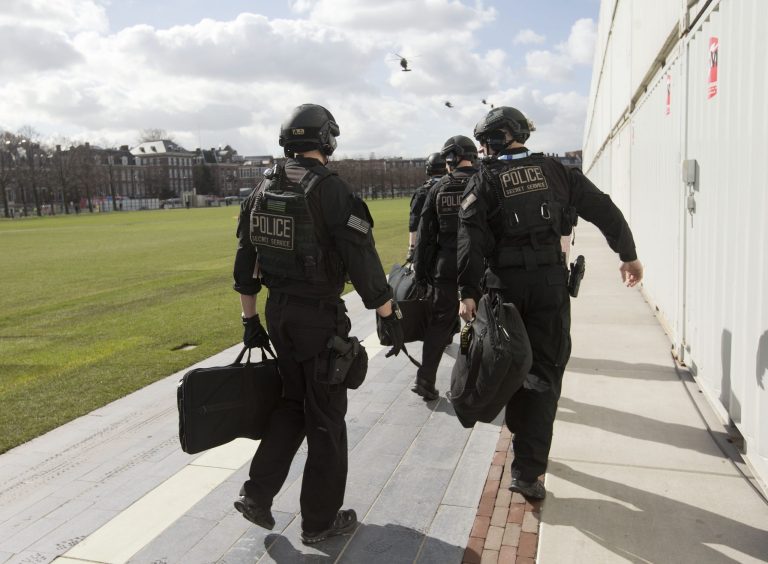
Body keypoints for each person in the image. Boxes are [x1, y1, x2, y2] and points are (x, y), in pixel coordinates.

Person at [232, 103, 405, 544]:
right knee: (326, 418)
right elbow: (361, 259)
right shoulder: (330, 190)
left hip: (277, 313)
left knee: (293, 404)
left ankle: (257, 494)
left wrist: (250, 321)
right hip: (317, 318)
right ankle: (320, 522)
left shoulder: (261, 188)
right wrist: (387, 313)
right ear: (327, 139)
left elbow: (244, 263)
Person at [457, 106, 643, 500]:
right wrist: (627, 253)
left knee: (508, 364)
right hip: (549, 286)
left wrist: (467, 293)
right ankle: (527, 470)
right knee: (544, 372)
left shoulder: (484, 180)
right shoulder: (558, 172)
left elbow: (469, 241)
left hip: (503, 289)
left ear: (491, 141)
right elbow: (603, 209)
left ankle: (521, 438)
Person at [411, 135, 478, 400]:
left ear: (449, 159)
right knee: (480, 326)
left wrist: (422, 274)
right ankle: (474, 384)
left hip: (445, 267)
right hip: (480, 266)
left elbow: (425, 236)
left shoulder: (437, 189)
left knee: (439, 325)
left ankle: (426, 379)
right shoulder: (486, 182)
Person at [407, 152, 446, 262]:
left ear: (428, 169)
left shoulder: (422, 192)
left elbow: (414, 222)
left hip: (428, 247)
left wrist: (411, 248)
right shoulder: (456, 186)